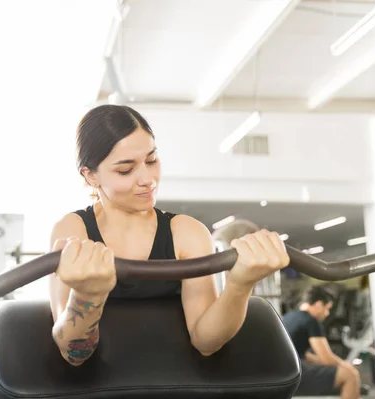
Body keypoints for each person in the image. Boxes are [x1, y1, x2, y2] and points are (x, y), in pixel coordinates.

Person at [47, 104, 290, 367]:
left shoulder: (187, 232)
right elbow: (73, 354)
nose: (148, 179)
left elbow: (206, 343)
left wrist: (240, 285)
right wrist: (88, 295)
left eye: (151, 160)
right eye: (126, 169)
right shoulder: (73, 231)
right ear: (90, 175)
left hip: (174, 380)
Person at [282, 285, 362, 399]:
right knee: (350, 375)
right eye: (327, 308)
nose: (328, 313)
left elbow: (302, 355)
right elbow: (327, 359)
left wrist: (333, 364)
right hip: (294, 375)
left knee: (344, 371)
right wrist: (346, 365)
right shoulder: (311, 321)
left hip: (283, 372)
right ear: (319, 304)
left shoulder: (289, 316)